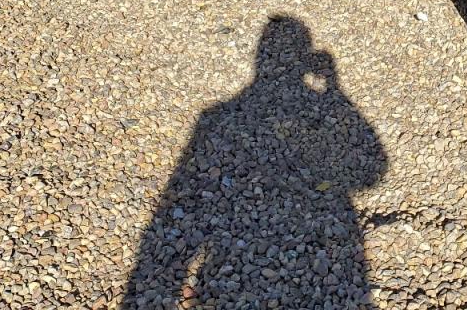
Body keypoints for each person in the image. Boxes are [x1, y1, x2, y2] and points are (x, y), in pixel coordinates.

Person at [123, 16, 386, 308]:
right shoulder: (215, 117)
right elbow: (373, 172)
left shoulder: (215, 116)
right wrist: (334, 90)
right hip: (335, 238)